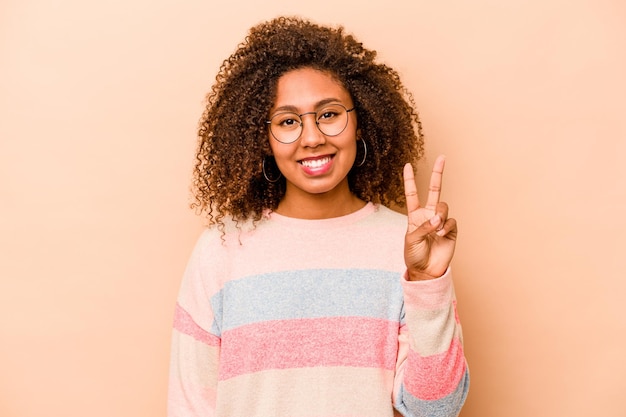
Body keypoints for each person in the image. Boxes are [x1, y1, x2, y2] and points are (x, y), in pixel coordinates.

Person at [168, 16, 469, 417]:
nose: (312, 138)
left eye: (328, 114)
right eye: (288, 121)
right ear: (263, 138)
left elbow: (436, 409)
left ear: (360, 122)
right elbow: (190, 406)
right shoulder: (222, 249)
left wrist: (428, 285)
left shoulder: (406, 247)